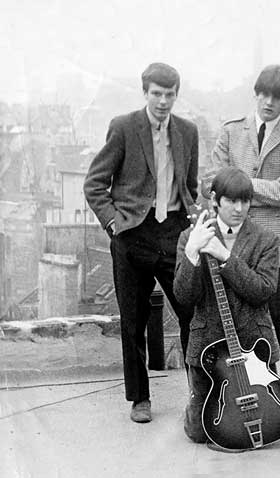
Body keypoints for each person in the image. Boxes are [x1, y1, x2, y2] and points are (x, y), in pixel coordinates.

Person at [83, 62, 199, 423]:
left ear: (177, 95)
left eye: (170, 94)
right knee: (132, 321)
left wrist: (192, 220)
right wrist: (114, 223)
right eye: (157, 94)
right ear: (145, 93)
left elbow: (190, 187)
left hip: (173, 232)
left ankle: (200, 391)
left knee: (190, 313)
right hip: (133, 234)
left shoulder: (188, 132)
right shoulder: (123, 127)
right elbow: (94, 184)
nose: (164, 101)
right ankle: (140, 399)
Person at [209, 64, 280, 418]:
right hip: (232, 239)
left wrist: (243, 186)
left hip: (275, 243)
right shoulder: (231, 132)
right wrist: (249, 187)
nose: (269, 102)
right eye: (264, 94)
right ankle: (250, 390)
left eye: (278, 97)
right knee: (237, 316)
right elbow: (216, 179)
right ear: (255, 94)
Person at [173, 167, 280, 443]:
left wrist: (224, 256)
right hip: (208, 346)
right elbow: (184, 296)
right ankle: (197, 401)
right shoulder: (190, 236)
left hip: (253, 345)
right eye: (231, 201)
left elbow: (263, 291)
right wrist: (192, 253)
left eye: (245, 201)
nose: (239, 208)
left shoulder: (266, 240)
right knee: (200, 433)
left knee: (269, 427)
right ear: (215, 201)